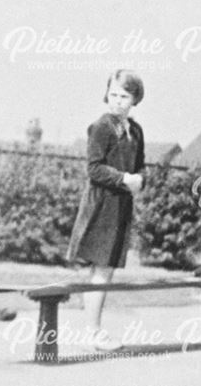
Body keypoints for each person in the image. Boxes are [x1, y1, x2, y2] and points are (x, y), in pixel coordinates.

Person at [66, 69, 147, 351]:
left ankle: (94, 329)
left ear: (135, 98)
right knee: (101, 269)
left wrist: (139, 180)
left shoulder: (135, 131)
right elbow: (94, 168)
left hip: (120, 206)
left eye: (124, 96)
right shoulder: (101, 127)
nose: (117, 101)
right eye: (113, 94)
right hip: (101, 206)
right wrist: (124, 179)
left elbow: (139, 167)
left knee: (107, 270)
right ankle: (93, 331)